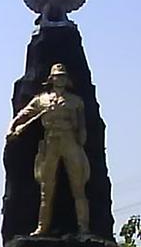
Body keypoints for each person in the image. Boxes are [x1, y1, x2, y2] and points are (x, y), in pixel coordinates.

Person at [6, 63, 90, 235]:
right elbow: (21, 116)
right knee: (46, 188)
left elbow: (82, 127)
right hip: (50, 143)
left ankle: (84, 227)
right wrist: (11, 130)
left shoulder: (75, 101)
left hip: (69, 142)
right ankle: (42, 227)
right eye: (57, 76)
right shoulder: (41, 100)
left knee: (78, 187)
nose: (60, 79)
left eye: (63, 76)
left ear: (67, 79)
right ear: (51, 79)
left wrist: (81, 137)